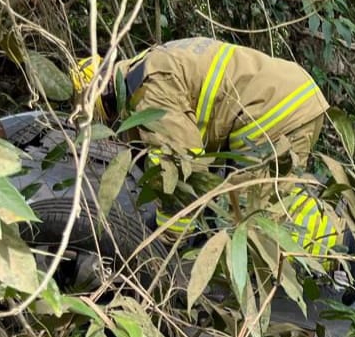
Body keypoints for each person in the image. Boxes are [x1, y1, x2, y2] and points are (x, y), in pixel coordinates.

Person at [71, 38, 338, 254]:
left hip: (272, 111)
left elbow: (182, 161)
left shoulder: (145, 89)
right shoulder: (148, 66)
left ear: (103, 97)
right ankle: (333, 236)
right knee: (266, 195)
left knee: (249, 218)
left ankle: (338, 248)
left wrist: (169, 234)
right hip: (286, 97)